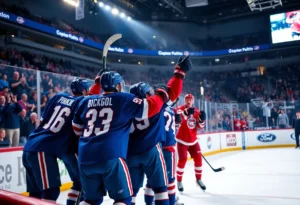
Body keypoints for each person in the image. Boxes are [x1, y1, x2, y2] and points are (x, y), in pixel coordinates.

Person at [72, 55, 190, 205]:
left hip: (87, 157)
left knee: (91, 200)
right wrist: (165, 90)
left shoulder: (86, 101)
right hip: (115, 155)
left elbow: (77, 129)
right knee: (133, 196)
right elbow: (153, 105)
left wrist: (97, 84)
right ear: (119, 86)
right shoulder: (124, 100)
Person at [22, 78, 90, 204]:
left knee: (35, 195)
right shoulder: (82, 101)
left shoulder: (58, 96)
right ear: (85, 91)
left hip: (31, 145)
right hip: (42, 150)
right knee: (51, 192)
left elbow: (42, 121)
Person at [143, 98, 183, 205]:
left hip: (155, 147)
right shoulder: (170, 109)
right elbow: (171, 130)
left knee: (151, 180)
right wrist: (177, 122)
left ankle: (149, 202)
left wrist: (177, 122)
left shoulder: (154, 107)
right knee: (170, 180)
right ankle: (171, 201)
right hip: (168, 148)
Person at [176, 94, 206, 192]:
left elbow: (200, 126)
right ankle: (179, 181)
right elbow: (179, 118)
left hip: (193, 141)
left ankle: (199, 179)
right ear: (184, 101)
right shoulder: (180, 108)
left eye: (190, 99)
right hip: (182, 141)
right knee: (183, 160)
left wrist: (202, 120)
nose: (188, 101)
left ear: (192, 101)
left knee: (198, 159)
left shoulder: (197, 111)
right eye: (186, 99)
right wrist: (186, 113)